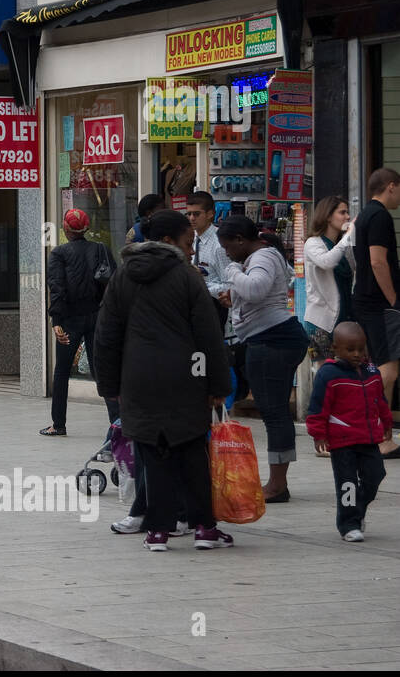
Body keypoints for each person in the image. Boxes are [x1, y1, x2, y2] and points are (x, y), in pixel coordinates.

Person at [95, 209, 233, 550]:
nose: (191, 250)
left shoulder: (123, 276)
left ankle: (158, 531)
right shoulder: (187, 277)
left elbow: (106, 336)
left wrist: (110, 386)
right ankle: (203, 528)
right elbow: (207, 334)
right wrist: (216, 384)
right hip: (186, 376)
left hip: (137, 378)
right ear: (169, 241)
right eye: (188, 243)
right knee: (191, 452)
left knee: (153, 456)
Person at [217, 215, 308, 502]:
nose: (227, 253)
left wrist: (232, 272)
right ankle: (278, 482)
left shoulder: (263, 256)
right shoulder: (259, 257)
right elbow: (256, 294)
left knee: (274, 412)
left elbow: (255, 289)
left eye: (228, 247)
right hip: (267, 338)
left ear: (241, 240)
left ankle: (277, 485)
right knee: (275, 411)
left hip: (273, 340)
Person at [307, 321, 390, 543]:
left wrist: (388, 424)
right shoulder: (328, 374)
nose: (357, 355)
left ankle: (357, 510)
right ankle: (349, 525)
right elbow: (317, 407)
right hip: (342, 441)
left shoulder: (372, 371)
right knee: (347, 483)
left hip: (368, 438)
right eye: (350, 350)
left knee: (375, 475)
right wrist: (318, 434)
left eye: (361, 349)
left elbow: (380, 401)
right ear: (335, 348)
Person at [41, 208, 119, 436]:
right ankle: (116, 422)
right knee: (102, 370)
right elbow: (114, 283)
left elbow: (57, 287)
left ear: (65, 228)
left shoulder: (59, 254)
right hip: (98, 317)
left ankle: (59, 424)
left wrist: (56, 320)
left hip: (69, 319)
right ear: (86, 228)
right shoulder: (101, 249)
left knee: (62, 370)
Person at [352, 168, 400, 458]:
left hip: (367, 300)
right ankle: (376, 435)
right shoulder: (380, 215)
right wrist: (393, 300)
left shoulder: (364, 215)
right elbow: (377, 261)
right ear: (391, 187)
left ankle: (380, 435)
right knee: (388, 368)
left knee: (385, 366)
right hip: (378, 303)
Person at [303, 196, 355, 361]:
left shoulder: (342, 245)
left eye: (348, 212)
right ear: (327, 216)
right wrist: (348, 236)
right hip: (320, 323)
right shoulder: (312, 243)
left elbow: (355, 268)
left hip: (345, 320)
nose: (347, 217)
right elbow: (327, 262)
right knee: (327, 373)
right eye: (342, 212)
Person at [184, 191, 232, 327]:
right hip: (194, 308)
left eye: (196, 214)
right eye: (189, 214)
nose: (192, 218)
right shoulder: (190, 239)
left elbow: (229, 285)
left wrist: (201, 288)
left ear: (210, 214)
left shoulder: (219, 244)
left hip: (215, 309)